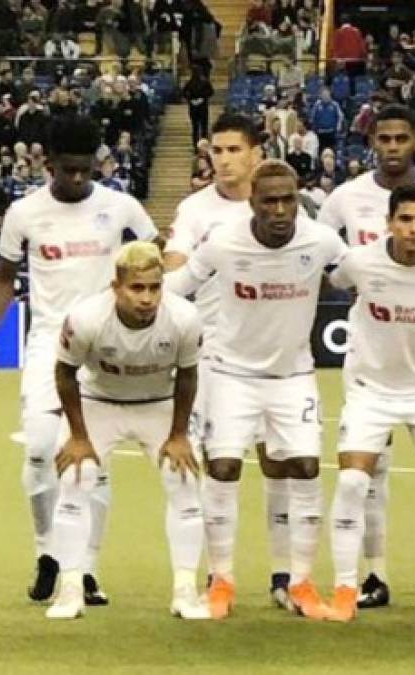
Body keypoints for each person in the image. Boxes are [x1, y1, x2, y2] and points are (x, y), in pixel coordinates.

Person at [0, 113, 158, 606]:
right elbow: (6, 277)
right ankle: (48, 555)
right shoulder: (24, 213)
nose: (78, 179)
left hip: (106, 344)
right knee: (38, 450)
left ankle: (88, 570)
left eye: (85, 170)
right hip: (49, 341)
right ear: (47, 163)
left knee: (94, 461)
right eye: (68, 170)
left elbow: (156, 261)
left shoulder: (121, 208)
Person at [165, 160, 346, 621]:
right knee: (223, 468)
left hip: (293, 375)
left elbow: (357, 275)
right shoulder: (224, 243)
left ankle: (300, 582)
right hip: (230, 374)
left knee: (305, 467)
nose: (281, 209)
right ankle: (221, 580)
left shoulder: (320, 239)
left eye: (288, 199)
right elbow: (178, 286)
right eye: (270, 201)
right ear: (253, 203)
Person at [317, 104, 415, 610]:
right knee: (360, 479)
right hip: (369, 383)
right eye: (385, 137)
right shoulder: (351, 227)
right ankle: (358, 581)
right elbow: (330, 268)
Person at [163, 113, 300, 610]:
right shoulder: (196, 211)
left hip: (279, 358)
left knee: (280, 463)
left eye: (233, 150)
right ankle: (219, 578)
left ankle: (284, 577)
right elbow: (175, 268)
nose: (223, 159)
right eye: (216, 151)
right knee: (219, 466)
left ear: (255, 154)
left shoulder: (281, 207)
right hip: (217, 358)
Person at [45, 242, 208, 620]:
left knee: (183, 480)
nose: (147, 298)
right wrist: (79, 437)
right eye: (137, 288)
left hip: (159, 403)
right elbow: (65, 373)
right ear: (116, 286)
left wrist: (180, 435)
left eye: (154, 288)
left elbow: (188, 375)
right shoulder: (85, 318)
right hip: (99, 400)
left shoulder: (184, 318)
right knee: (76, 477)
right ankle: (70, 588)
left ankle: (185, 589)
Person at [183, 67, 214, 147]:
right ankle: (202, 146)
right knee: (202, 128)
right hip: (200, 107)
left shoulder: (190, 83)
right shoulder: (203, 82)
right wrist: (202, 98)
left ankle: (196, 146)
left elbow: (184, 93)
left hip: (195, 107)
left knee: (196, 128)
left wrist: (191, 99)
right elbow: (211, 92)